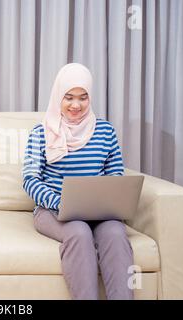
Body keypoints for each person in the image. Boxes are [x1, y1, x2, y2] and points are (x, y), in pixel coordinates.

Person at [22, 63, 134, 300]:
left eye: (83, 98)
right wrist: (60, 202)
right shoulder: (41, 132)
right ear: (58, 97)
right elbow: (30, 179)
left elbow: (115, 174)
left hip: (99, 212)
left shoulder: (105, 131)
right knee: (79, 232)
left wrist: (106, 201)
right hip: (52, 210)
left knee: (115, 232)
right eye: (69, 97)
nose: (76, 105)